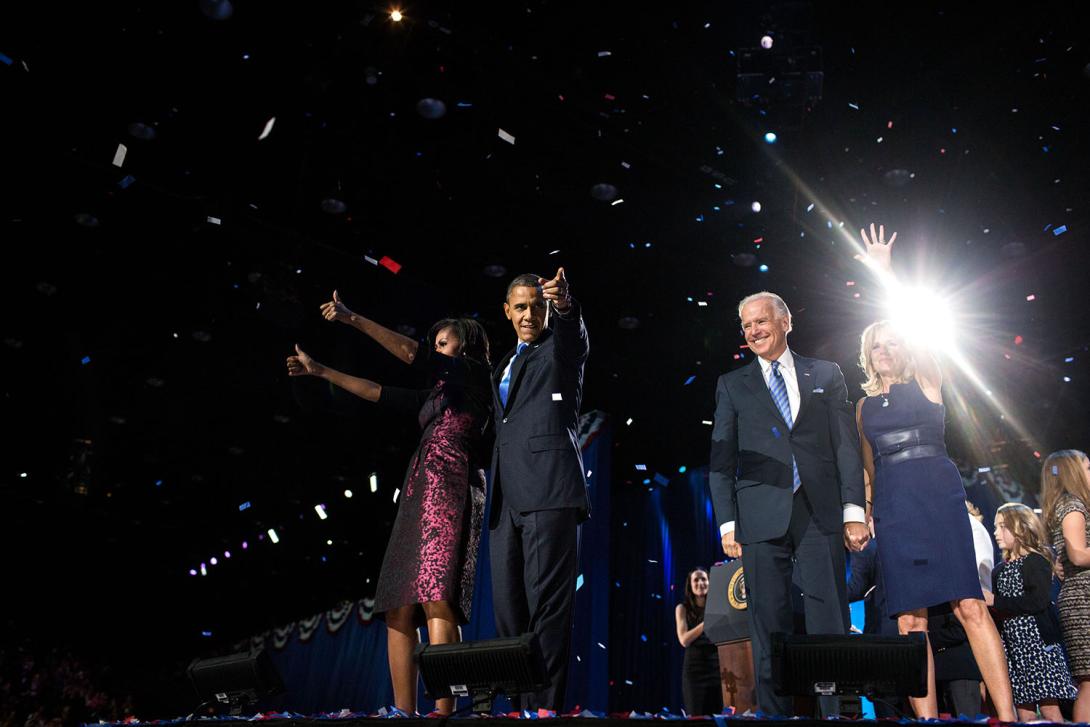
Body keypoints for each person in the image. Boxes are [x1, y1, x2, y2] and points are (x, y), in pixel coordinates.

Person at [287, 292, 493, 715]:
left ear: (465, 345)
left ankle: (443, 707)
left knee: (438, 594)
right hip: (419, 489)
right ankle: (404, 712)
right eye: (434, 341)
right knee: (398, 602)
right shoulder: (434, 395)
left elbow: (410, 353)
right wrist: (319, 370)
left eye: (444, 341)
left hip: (451, 484)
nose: (436, 345)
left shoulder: (472, 374)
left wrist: (351, 318)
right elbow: (376, 391)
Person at [854, 223, 1015, 721]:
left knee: (969, 605)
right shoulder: (862, 407)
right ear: (867, 354)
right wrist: (868, 514)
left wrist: (886, 276)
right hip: (895, 507)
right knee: (908, 620)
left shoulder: (927, 378)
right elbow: (867, 471)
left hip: (937, 494)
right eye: (876, 345)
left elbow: (918, 329)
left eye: (892, 342)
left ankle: (1007, 717)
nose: (886, 350)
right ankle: (926, 720)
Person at [709, 290, 870, 716]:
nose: (753, 331)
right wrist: (728, 524)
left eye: (761, 321)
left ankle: (834, 712)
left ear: (785, 322)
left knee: (829, 618)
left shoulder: (826, 373)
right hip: (759, 517)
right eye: (746, 325)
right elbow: (721, 463)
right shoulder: (732, 385)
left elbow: (846, 447)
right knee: (768, 624)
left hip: (819, 511)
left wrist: (854, 511)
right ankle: (775, 716)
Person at [489, 268, 589, 712]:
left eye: (538, 305)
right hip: (504, 499)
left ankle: (543, 711)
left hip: (550, 490)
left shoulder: (559, 350)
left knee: (547, 610)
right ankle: (517, 707)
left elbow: (574, 335)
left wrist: (566, 306)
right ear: (507, 312)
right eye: (522, 307)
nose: (530, 314)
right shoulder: (503, 364)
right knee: (509, 613)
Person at [988, 502, 1077, 721]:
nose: (996, 533)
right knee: (1024, 710)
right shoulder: (999, 570)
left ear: (1020, 528)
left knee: (1049, 708)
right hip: (1013, 648)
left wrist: (995, 601)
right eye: (995, 527)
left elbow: (1038, 601)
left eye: (1001, 527)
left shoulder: (1036, 561)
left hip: (1038, 646)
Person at [1040, 449, 1090, 721]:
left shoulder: (1068, 505)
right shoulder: (1073, 506)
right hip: (1084, 600)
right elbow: (1078, 554)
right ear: (1074, 472)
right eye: (1088, 468)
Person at [674, 568, 723, 716]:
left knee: (717, 715)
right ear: (690, 585)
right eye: (696, 580)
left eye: (704, 579)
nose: (700, 582)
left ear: (709, 582)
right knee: (696, 716)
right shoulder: (682, 608)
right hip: (694, 670)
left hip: (716, 667)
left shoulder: (718, 606)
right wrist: (706, 622)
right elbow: (684, 640)